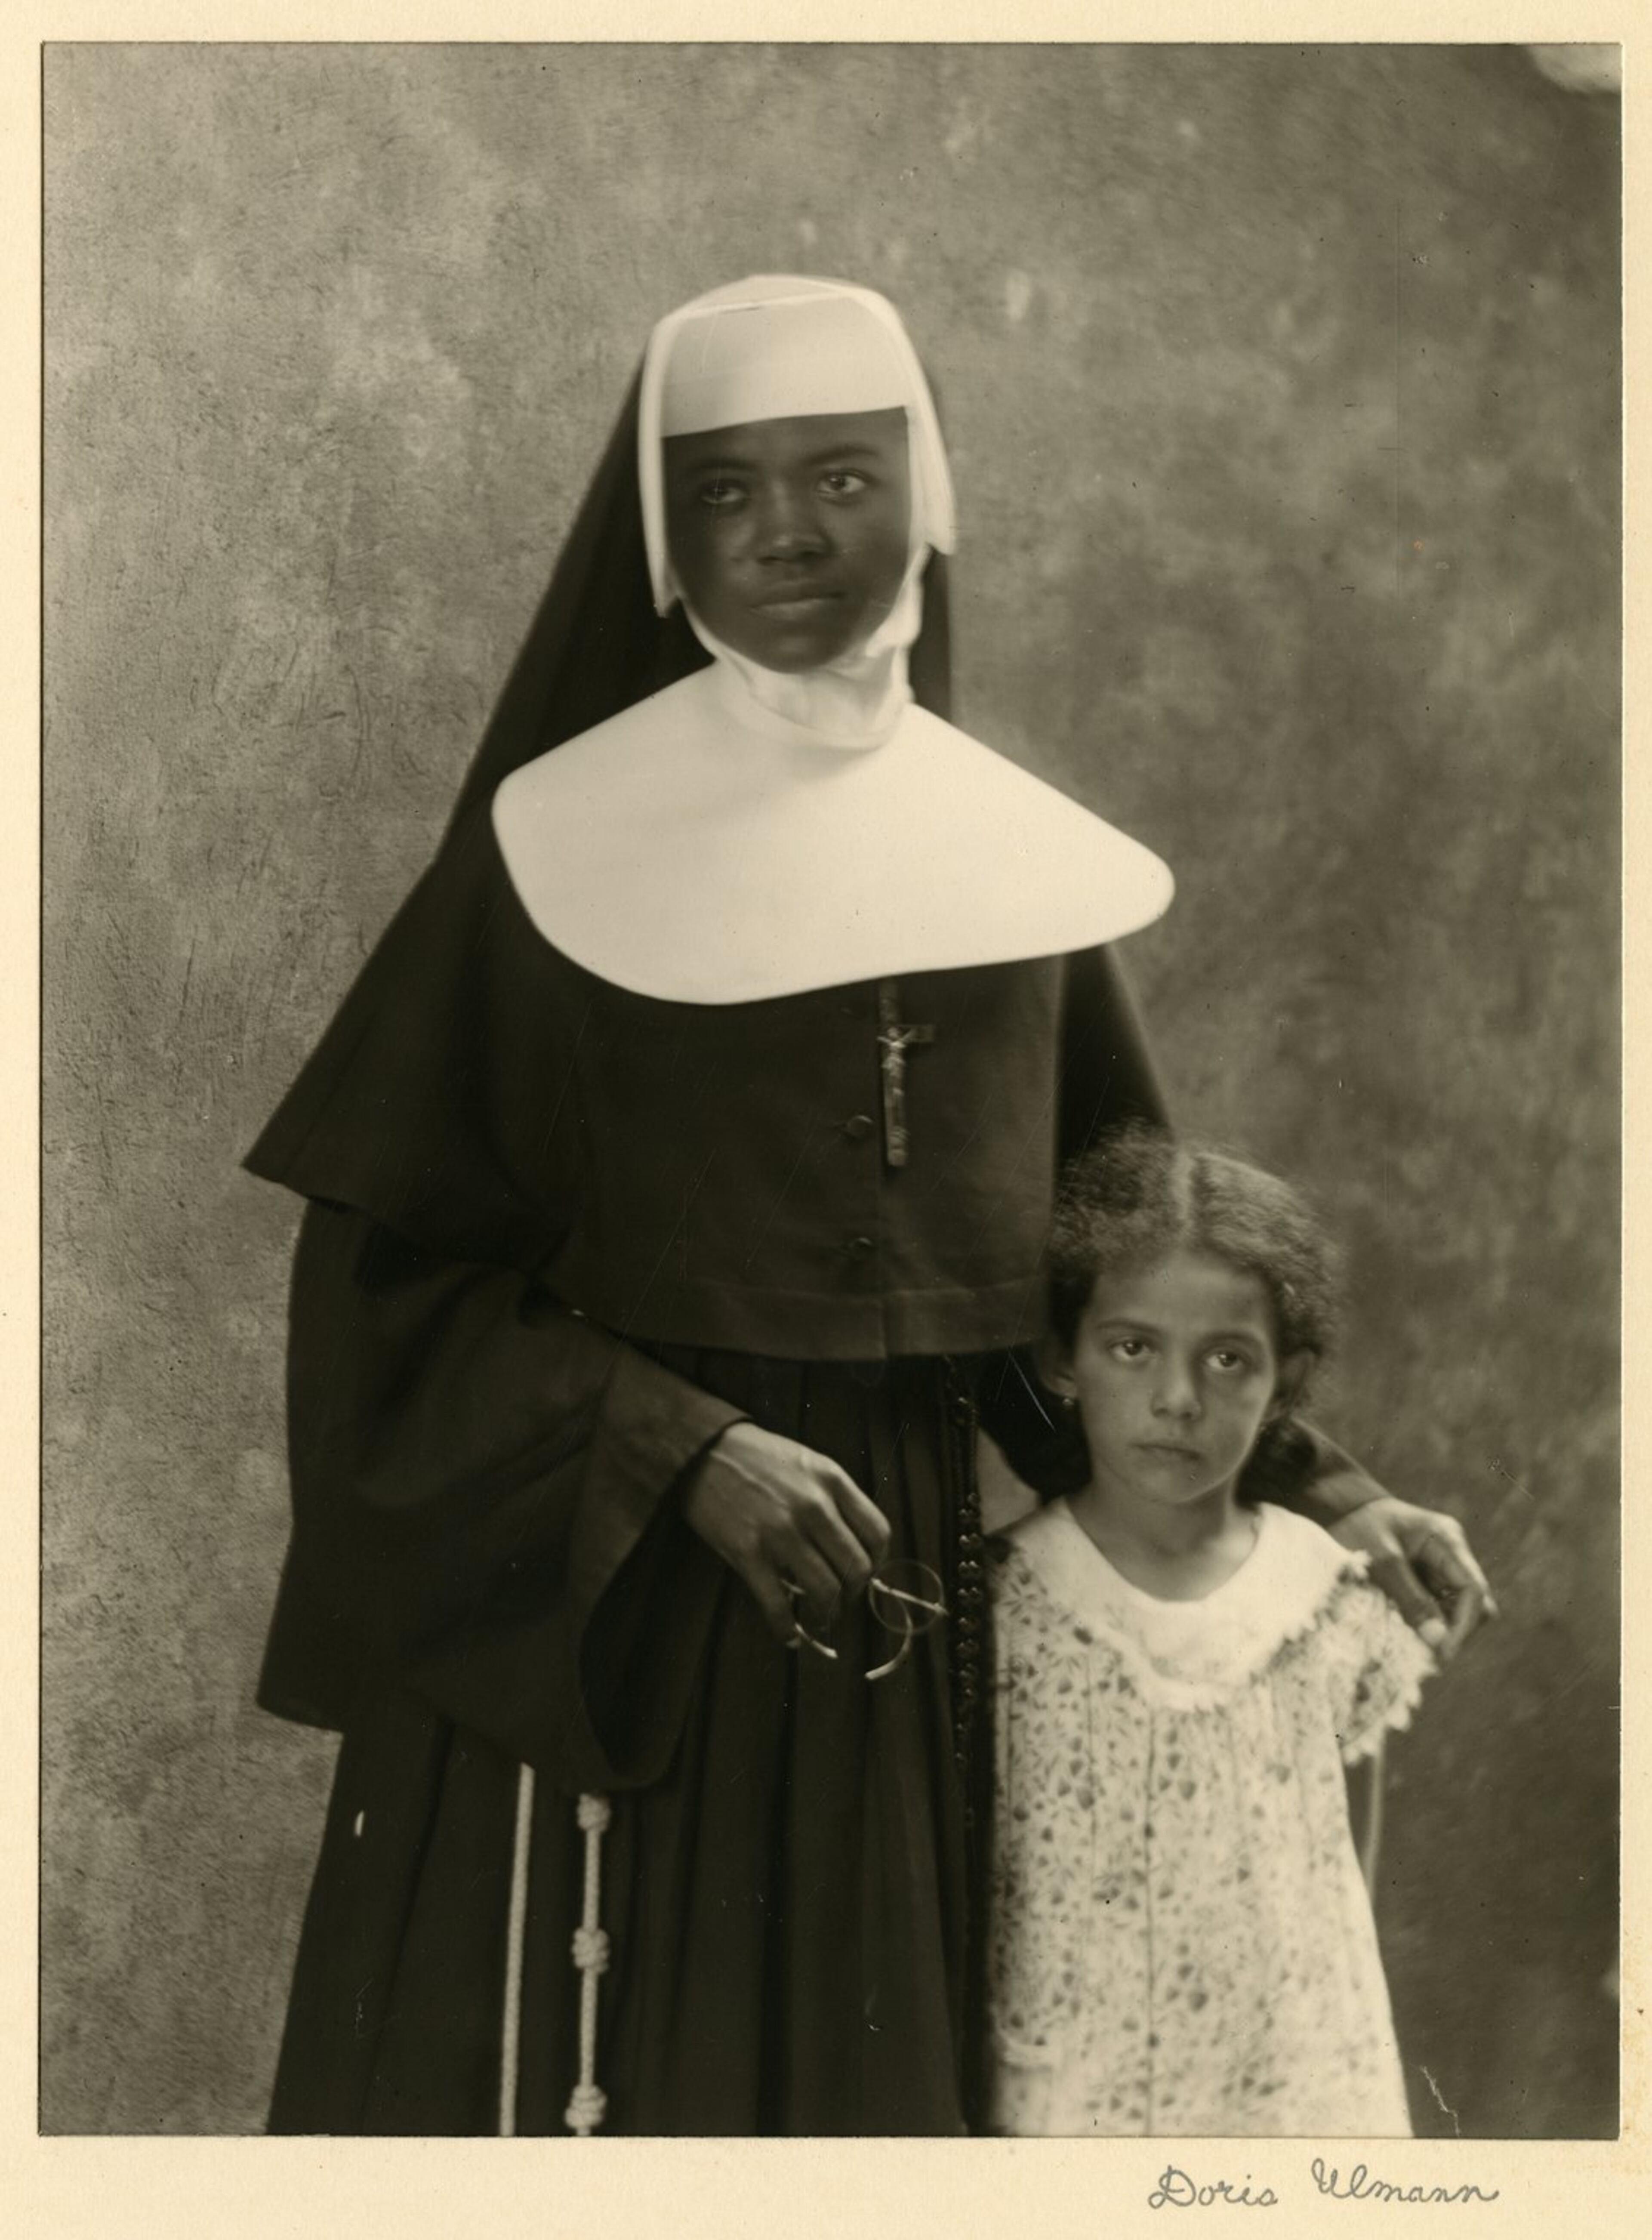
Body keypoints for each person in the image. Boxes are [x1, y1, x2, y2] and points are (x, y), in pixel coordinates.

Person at [244, 275, 1489, 2138]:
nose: (785, 534)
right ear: (662, 538)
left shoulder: (1011, 862)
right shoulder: (547, 851)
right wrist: (680, 1449)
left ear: (930, 495)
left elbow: (1118, 1269)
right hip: (613, 1612)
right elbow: (386, 1311)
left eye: (840, 476)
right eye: (723, 489)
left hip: (902, 1632)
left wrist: (1328, 1490)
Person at [984, 1128, 1437, 2137]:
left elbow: (1340, 1876)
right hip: (1071, 2096)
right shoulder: (1004, 1604)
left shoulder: (1328, 1599)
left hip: (1293, 2093)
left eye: (1229, 1358)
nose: (1179, 1398)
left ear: (1288, 1378)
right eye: (1133, 1347)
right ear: (1063, 1356)